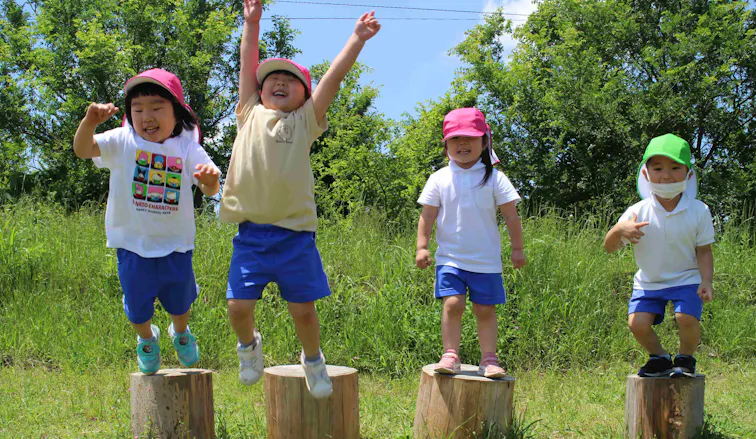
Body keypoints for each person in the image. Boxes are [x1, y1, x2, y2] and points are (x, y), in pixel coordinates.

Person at [219, 0, 380, 398]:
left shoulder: (305, 120)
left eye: (289, 81)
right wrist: (251, 22)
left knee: (303, 311)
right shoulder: (248, 112)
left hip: (295, 238)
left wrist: (356, 40)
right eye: (271, 78)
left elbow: (333, 79)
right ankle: (248, 347)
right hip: (251, 236)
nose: (278, 82)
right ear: (259, 91)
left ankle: (313, 359)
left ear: (304, 95)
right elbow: (247, 61)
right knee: (238, 308)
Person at [73, 68, 221, 374]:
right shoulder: (122, 140)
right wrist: (89, 122)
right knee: (138, 307)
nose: (146, 116)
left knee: (180, 303)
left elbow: (210, 186)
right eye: (138, 109)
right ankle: (146, 340)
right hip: (131, 245)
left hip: (176, 246)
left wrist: (209, 180)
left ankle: (180, 332)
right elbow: (82, 149)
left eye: (156, 108)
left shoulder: (186, 146)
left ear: (177, 113)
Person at [416, 107, 526, 379]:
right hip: (450, 258)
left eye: (470, 138)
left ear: (484, 142)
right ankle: (450, 354)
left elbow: (511, 216)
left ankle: (489, 359)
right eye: (455, 139)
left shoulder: (494, 178)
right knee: (453, 304)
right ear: (446, 146)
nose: (462, 144)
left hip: (486, 261)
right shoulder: (439, 178)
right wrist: (421, 246)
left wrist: (517, 248)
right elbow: (427, 216)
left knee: (485, 309)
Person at [604, 133, 714, 377]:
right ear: (645, 173)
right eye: (658, 168)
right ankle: (660, 358)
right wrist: (618, 230)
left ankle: (686, 358)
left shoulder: (699, 210)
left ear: (688, 174)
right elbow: (609, 247)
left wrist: (706, 280)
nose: (666, 174)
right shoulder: (636, 212)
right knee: (637, 324)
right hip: (649, 281)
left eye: (675, 167)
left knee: (685, 317)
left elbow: (704, 250)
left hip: (687, 278)